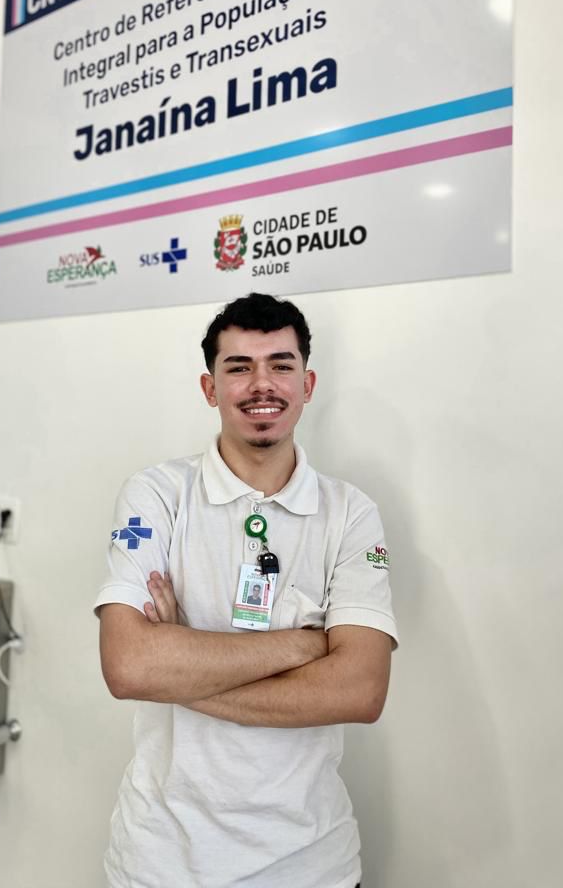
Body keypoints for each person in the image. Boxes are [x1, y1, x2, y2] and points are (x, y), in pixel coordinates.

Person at [96, 292, 397, 888]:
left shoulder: (351, 514)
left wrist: (182, 661)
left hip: (312, 865)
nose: (263, 384)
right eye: (239, 367)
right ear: (210, 388)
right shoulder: (156, 495)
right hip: (163, 863)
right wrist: (307, 646)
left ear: (307, 383)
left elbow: (361, 691)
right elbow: (129, 668)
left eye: (281, 365)